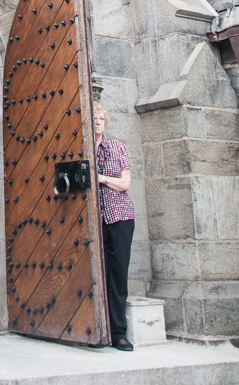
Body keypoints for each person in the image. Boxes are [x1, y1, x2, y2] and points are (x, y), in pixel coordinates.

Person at [94, 103, 135, 352]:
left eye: (101, 118)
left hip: (119, 218)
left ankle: (119, 333)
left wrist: (102, 179)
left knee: (117, 276)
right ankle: (96, 330)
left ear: (105, 122)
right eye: (93, 118)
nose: (97, 122)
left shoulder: (117, 147)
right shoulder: (80, 147)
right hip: (92, 220)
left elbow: (126, 183)